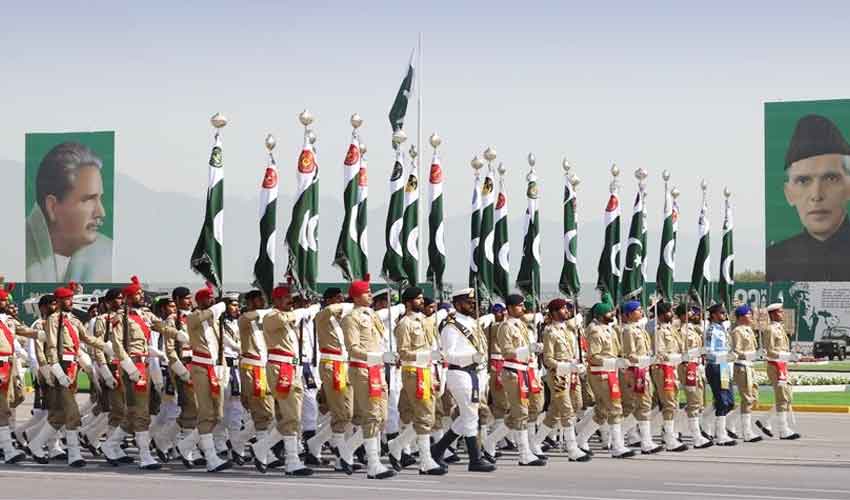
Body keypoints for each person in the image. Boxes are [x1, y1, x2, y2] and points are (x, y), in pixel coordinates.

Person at [27, 284, 108, 466]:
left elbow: (86, 339)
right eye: (67, 299)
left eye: (72, 298)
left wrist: (105, 346)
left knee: (58, 415)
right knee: (72, 412)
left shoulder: (74, 320)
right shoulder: (53, 320)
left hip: (72, 366)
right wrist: (55, 368)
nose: (71, 302)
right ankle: (74, 454)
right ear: (58, 301)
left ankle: (35, 444)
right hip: (60, 367)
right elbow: (53, 346)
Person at [153, 285, 232, 472]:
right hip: (186, 368)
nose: (189, 301)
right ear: (178, 300)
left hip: (207, 367)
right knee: (192, 411)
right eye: (186, 298)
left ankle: (175, 442)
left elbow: (216, 346)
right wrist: (181, 372)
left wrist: (222, 368)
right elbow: (171, 350)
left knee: (211, 413)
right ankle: (195, 452)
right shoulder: (176, 320)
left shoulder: (208, 319)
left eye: (190, 298)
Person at [767, 114, 850, 281]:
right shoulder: (775, 260)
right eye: (803, 180)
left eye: (830, 178)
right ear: (788, 194)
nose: (817, 195)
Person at [250, 285, 318, 476]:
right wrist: (305, 310)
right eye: (286, 298)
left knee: (289, 416)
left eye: (291, 297)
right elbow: (288, 317)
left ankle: (262, 448)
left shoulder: (288, 318)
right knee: (291, 416)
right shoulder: (272, 316)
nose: (290, 300)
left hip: (291, 367)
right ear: (277, 300)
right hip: (281, 369)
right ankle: (291, 460)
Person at [25, 141, 112, 282]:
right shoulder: (16, 254)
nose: (101, 212)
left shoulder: (106, 253)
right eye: (88, 199)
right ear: (52, 207)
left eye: (99, 198)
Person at [430, 288, 496, 473]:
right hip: (459, 373)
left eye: (474, 302)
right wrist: (470, 357)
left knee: (468, 415)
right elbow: (448, 354)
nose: (473, 305)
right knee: (470, 415)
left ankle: (437, 449)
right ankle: (475, 459)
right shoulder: (451, 325)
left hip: (475, 373)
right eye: (469, 302)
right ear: (458, 304)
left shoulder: (472, 323)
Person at [100, 276, 163, 470]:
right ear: (128, 298)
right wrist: (129, 367)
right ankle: (145, 455)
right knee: (140, 412)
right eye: (137, 294)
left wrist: (176, 334)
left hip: (144, 364)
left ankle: (109, 445)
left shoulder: (143, 315)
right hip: (133, 367)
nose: (141, 296)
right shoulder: (121, 318)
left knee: (133, 412)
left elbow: (159, 326)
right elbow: (116, 344)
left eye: (142, 293)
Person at [341, 279, 396, 480]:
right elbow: (353, 348)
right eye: (367, 292)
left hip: (377, 369)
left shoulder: (373, 315)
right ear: (356, 296)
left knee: (382, 418)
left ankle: (347, 450)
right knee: (372, 417)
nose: (371, 295)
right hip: (363, 369)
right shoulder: (351, 318)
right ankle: (373, 464)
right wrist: (378, 358)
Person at [386, 287, 445, 475]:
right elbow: (403, 353)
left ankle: (397, 445)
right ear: (409, 302)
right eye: (418, 299)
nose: (422, 301)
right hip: (413, 371)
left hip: (427, 370)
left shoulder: (424, 322)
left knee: (427, 415)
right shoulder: (405, 324)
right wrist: (427, 355)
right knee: (425, 414)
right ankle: (426, 460)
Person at [576, 293, 635, 459]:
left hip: (611, 372)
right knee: (615, 408)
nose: (613, 315)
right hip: (600, 374)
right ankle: (617, 446)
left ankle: (581, 439)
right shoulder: (594, 331)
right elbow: (593, 357)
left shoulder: (610, 330)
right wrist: (612, 363)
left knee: (602, 411)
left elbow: (617, 352)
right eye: (610, 312)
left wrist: (622, 363)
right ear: (602, 315)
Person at [532, 298, 590, 462]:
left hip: (571, 374)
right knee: (566, 410)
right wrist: (567, 367)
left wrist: (578, 365)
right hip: (557, 375)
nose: (567, 311)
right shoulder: (549, 332)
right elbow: (548, 360)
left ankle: (535, 442)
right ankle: (571, 448)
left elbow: (574, 352)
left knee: (562, 409)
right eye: (564, 309)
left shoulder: (568, 330)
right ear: (555, 312)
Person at [493, 294, 546, 466]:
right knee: (521, 413)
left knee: (529, 410)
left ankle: (489, 442)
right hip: (513, 372)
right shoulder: (505, 327)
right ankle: (524, 454)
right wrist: (527, 349)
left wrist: (534, 350)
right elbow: (507, 351)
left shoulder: (522, 325)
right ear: (509, 308)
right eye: (519, 306)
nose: (523, 309)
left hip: (526, 371)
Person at [233, 290, 274, 465]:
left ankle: (238, 440)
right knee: (261, 412)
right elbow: (252, 316)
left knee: (269, 414)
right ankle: (263, 452)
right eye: (258, 300)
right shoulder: (244, 319)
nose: (261, 303)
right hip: (252, 368)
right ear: (249, 302)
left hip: (265, 368)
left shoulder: (263, 321)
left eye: (263, 300)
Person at [619, 300, 663, 454]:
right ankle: (645, 441)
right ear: (629, 314)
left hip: (643, 370)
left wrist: (651, 358)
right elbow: (630, 355)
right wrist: (647, 360)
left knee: (644, 405)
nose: (641, 312)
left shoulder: (640, 329)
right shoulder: (629, 331)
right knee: (641, 406)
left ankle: (620, 436)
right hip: (635, 372)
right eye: (638, 310)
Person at [650, 301, 688, 452]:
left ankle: (664, 433)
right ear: (662, 314)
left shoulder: (671, 329)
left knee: (672, 403)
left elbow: (678, 348)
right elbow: (659, 353)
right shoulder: (659, 331)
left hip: (672, 368)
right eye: (669, 311)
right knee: (669, 403)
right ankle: (669, 437)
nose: (671, 314)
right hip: (663, 369)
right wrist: (674, 358)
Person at [675, 305, 712, 449]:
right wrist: (697, 351)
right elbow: (682, 351)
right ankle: (696, 436)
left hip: (696, 366)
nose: (692, 313)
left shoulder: (693, 330)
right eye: (688, 311)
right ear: (682, 315)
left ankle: (675, 430)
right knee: (693, 402)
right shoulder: (681, 331)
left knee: (698, 402)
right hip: (687, 366)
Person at [763, 304, 801, 440]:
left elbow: (782, 349)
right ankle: (783, 429)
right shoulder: (770, 330)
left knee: (787, 396)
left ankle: (765, 420)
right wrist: (787, 356)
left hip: (782, 366)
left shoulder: (780, 328)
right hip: (774, 366)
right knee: (783, 397)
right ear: (773, 314)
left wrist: (791, 356)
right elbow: (769, 351)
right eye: (780, 312)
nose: (782, 313)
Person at [729, 304, 763, 443]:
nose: (751, 317)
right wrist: (751, 355)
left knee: (753, 398)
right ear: (742, 316)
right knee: (747, 399)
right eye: (749, 314)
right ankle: (747, 431)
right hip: (742, 366)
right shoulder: (737, 331)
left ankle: (730, 421)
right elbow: (736, 352)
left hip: (750, 366)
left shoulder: (748, 330)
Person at [703, 303, 737, 446]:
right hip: (715, 366)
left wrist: (729, 356)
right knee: (722, 401)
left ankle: (705, 421)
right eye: (721, 313)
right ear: (714, 315)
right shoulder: (711, 330)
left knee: (729, 402)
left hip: (723, 367)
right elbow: (708, 352)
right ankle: (721, 435)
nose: (724, 315)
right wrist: (724, 357)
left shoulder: (722, 329)